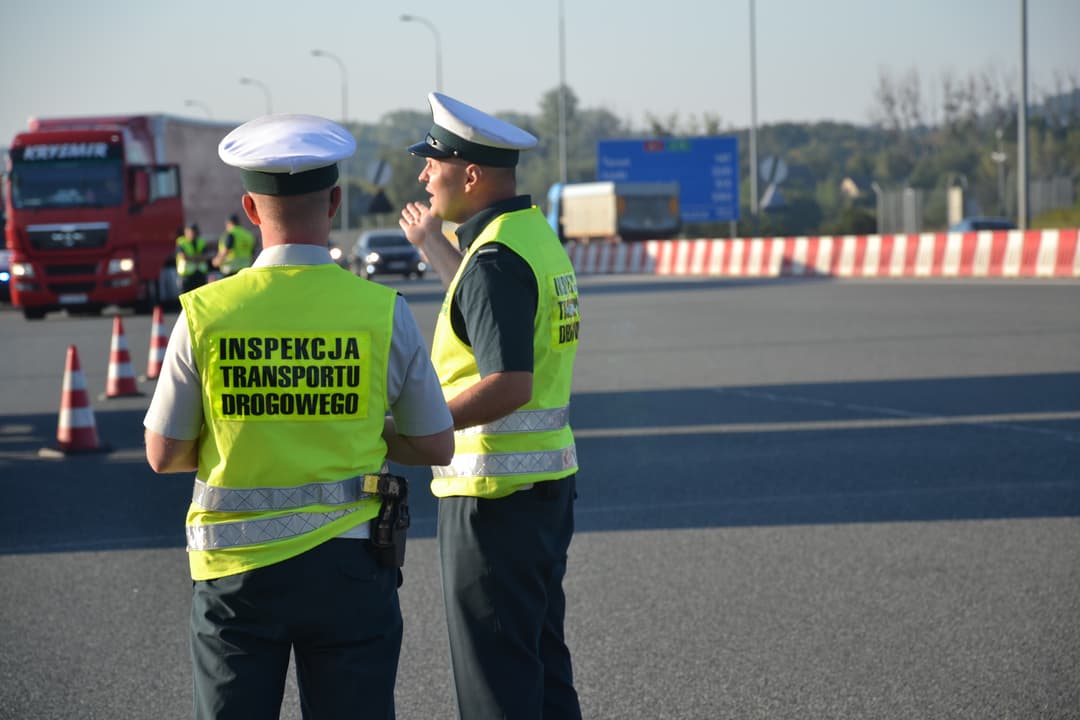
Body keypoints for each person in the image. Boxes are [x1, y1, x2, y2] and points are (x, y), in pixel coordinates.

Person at [143, 113, 454, 720]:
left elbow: (163, 453)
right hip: (351, 565)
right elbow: (436, 443)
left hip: (235, 575)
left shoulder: (205, 312)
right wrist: (360, 428)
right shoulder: (381, 311)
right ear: (335, 202)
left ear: (251, 211)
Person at [395, 92, 583, 719]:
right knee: (538, 667)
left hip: (493, 498)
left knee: (495, 684)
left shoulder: (496, 259)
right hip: (539, 488)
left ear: (469, 174)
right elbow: (486, 309)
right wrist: (432, 242)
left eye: (433, 163)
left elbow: (509, 382)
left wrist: (420, 428)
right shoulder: (527, 238)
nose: (424, 174)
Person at [175, 223, 209, 292]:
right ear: (186, 232)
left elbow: (205, 256)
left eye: (194, 232)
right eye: (191, 232)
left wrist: (191, 258)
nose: (193, 234)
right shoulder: (181, 242)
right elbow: (183, 257)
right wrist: (197, 258)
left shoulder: (201, 242)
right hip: (186, 276)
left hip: (200, 274)